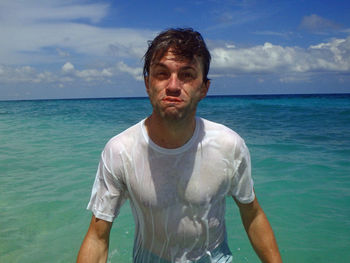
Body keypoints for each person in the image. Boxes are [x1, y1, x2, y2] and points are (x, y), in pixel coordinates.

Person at [77, 28, 282, 263]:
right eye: (162, 73)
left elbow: (252, 214)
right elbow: (97, 236)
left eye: (186, 75)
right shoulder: (120, 150)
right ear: (147, 83)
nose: (173, 86)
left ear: (204, 88)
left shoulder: (229, 145)